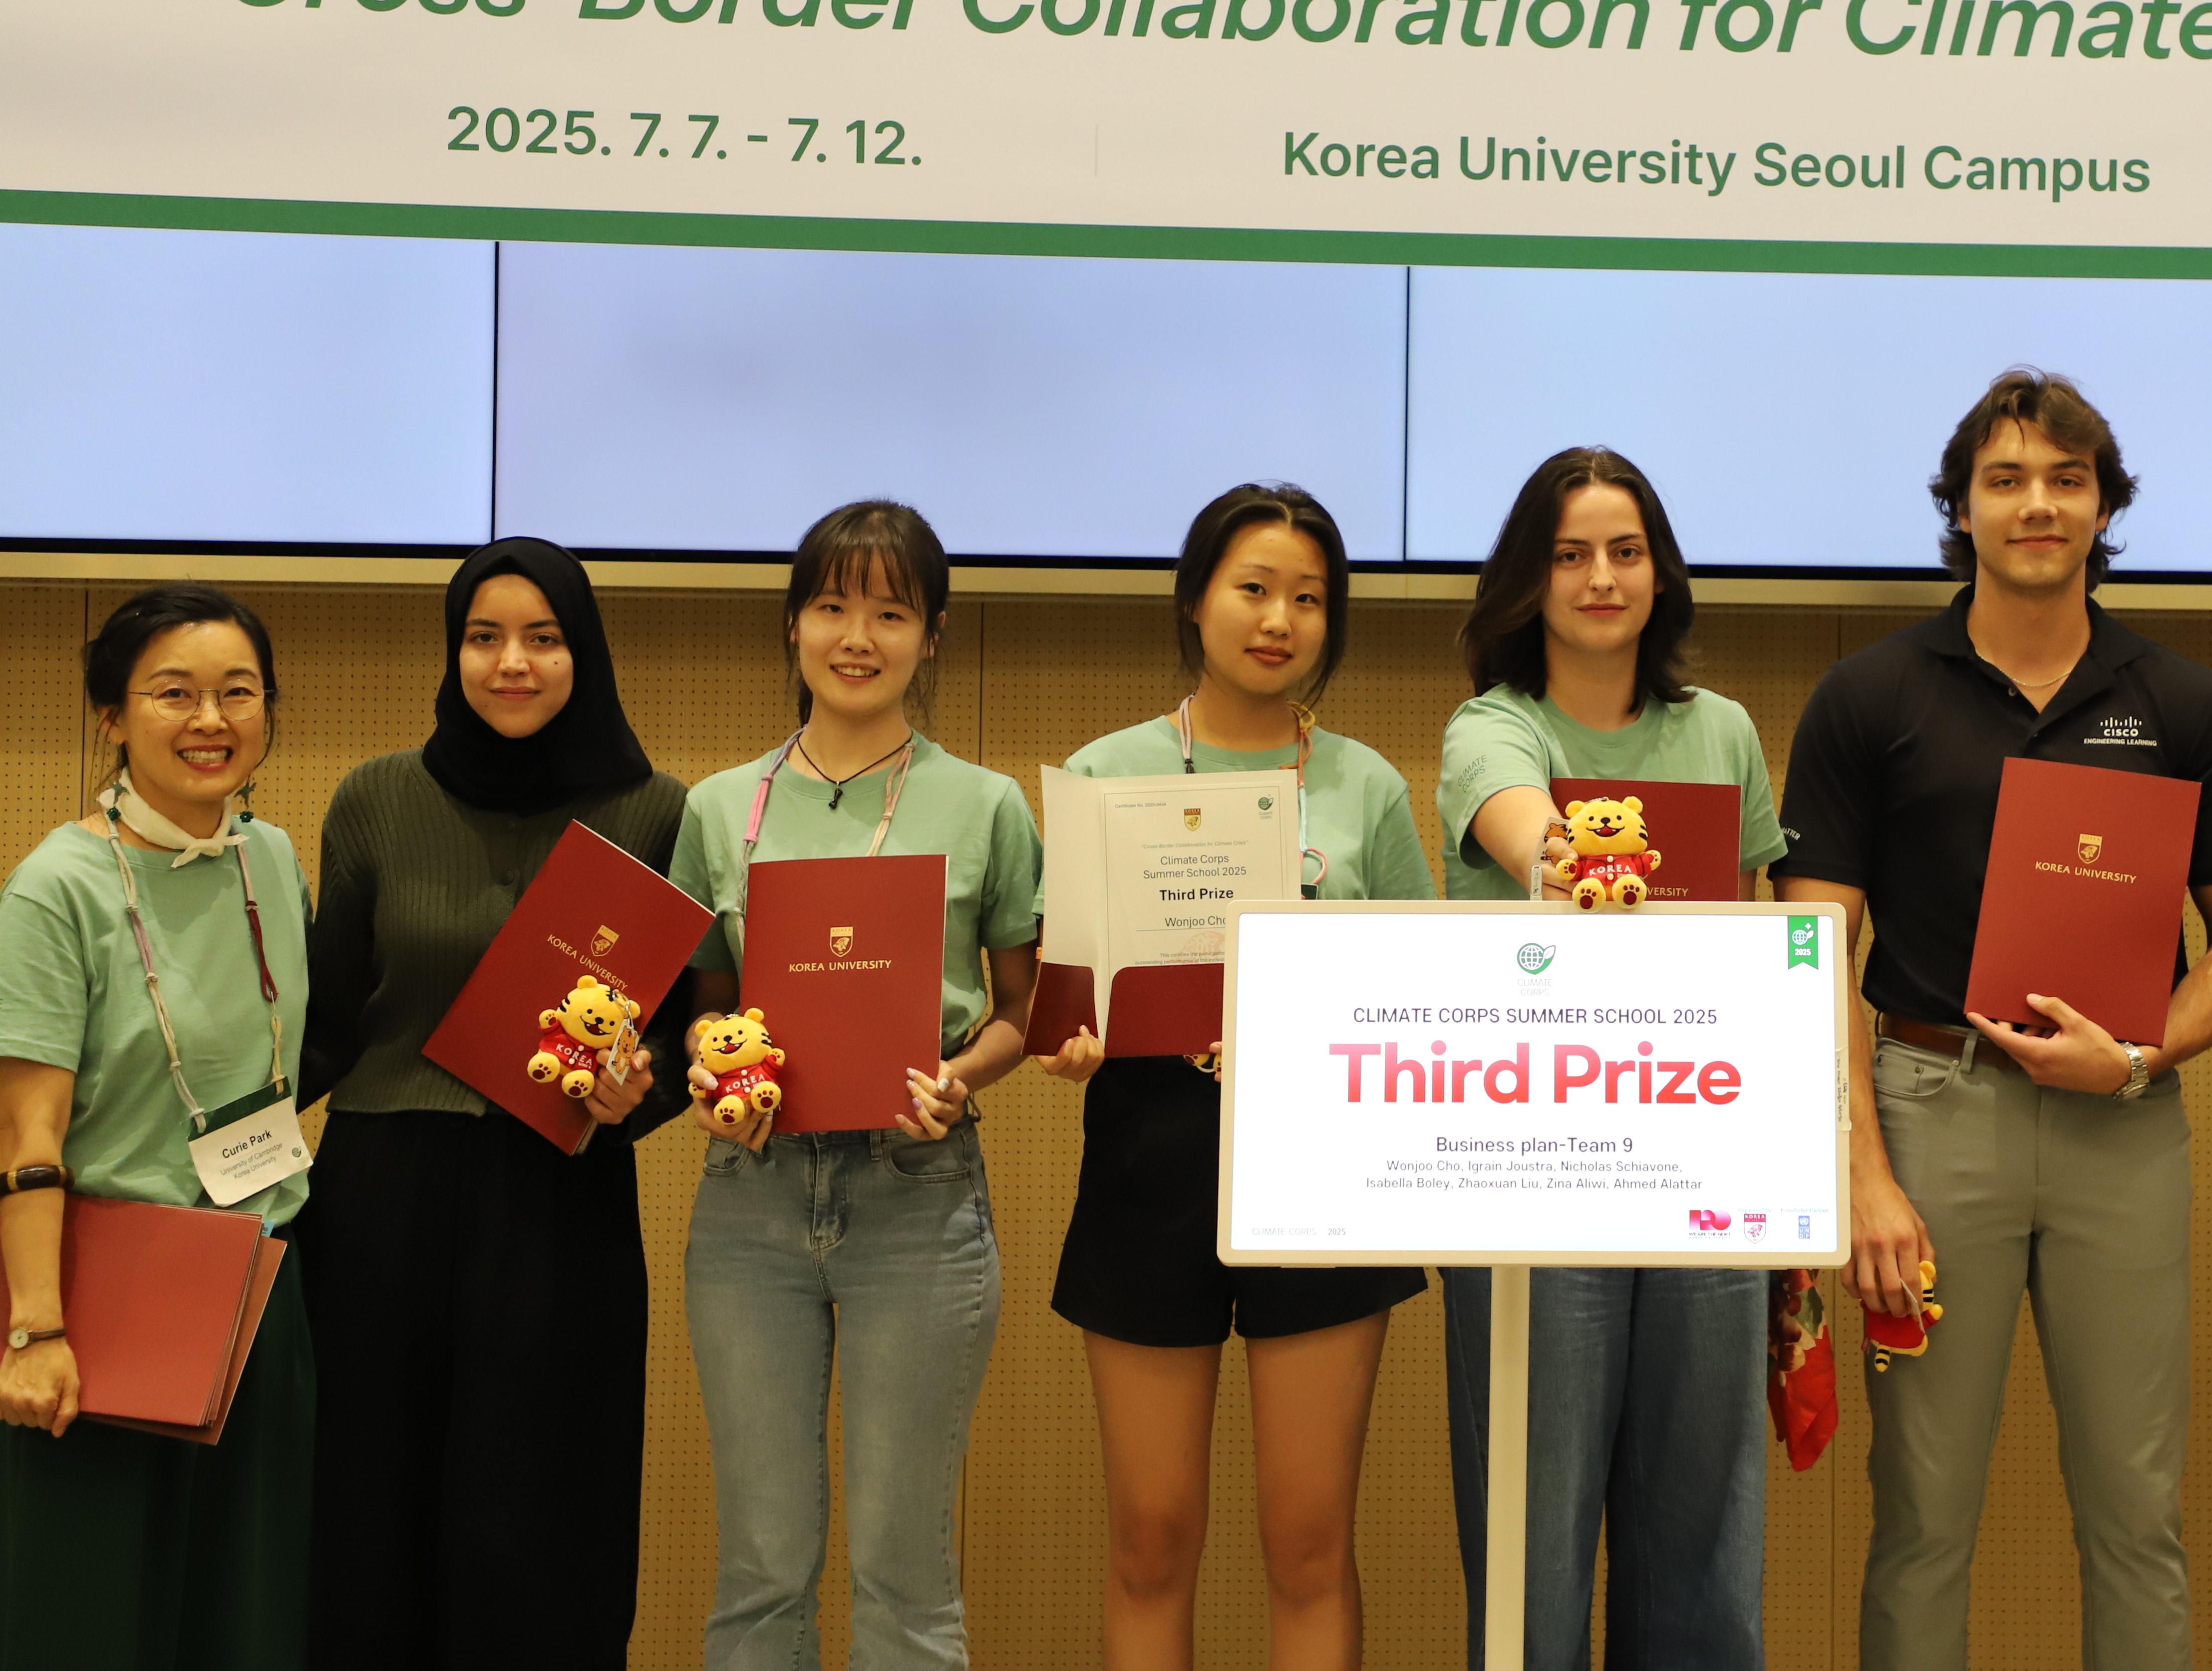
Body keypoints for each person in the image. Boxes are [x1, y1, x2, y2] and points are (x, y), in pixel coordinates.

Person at [1774, 367, 2212, 1671]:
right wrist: (1862, 1175)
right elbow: (1814, 947)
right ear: (1960, 508)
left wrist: (2145, 1050)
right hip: (1929, 1125)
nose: (2038, 505)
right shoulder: (1870, 696)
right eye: (2005, 480)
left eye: (2068, 480)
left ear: (2106, 506)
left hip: (2125, 1123)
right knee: (1923, 1517)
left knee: (2135, 1513)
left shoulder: (2185, 703)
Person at [1042, 483, 1435, 1671]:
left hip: (1321, 1171)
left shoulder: (1365, 783)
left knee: (1309, 1541)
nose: (1280, 619)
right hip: (1151, 1161)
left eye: (1309, 598)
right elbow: (1069, 991)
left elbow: (1419, 977)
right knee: (1152, 1537)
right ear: (1197, 599)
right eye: (1254, 588)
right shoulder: (1110, 771)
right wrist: (1078, 1035)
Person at [296, 538, 689, 1671]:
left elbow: (675, 1029)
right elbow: (324, 1025)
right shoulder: (374, 797)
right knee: (372, 1499)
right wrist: (208, 1148)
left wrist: (641, 1085)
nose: (510, 662)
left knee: (545, 1505)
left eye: (543, 638)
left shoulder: (654, 809)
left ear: (586, 653)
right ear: (454, 649)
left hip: (557, 1198)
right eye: (483, 636)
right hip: (380, 1198)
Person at [666, 500, 1043, 1671]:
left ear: (932, 637)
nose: (858, 635)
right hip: (753, 1199)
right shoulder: (719, 806)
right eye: (833, 605)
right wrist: (708, 1064)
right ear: (793, 626)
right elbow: (706, 1008)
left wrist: (962, 1077)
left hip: (917, 1197)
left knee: (903, 1576)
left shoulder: (986, 803)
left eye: (892, 610)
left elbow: (1025, 1011)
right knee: (761, 1571)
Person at [1433, 446, 1789, 1671]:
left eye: (1625, 551)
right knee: (1533, 1544)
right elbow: (1524, 828)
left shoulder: (1723, 731)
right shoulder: (1493, 724)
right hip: (1534, 1166)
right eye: (1570, 553)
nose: (1600, 577)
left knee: (1703, 1540)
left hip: (1700, 1160)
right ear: (1529, 580)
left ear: (1660, 571)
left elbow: (1756, 939)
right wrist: (1575, 864)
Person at [0, 585, 316, 1671]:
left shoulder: (270, 858)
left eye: (239, 693)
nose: (211, 721)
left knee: (245, 1613)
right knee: (89, 1616)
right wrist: (35, 1333)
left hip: (254, 1288)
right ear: (110, 716)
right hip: (106, 1301)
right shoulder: (59, 885)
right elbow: (27, 1136)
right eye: (174, 693)